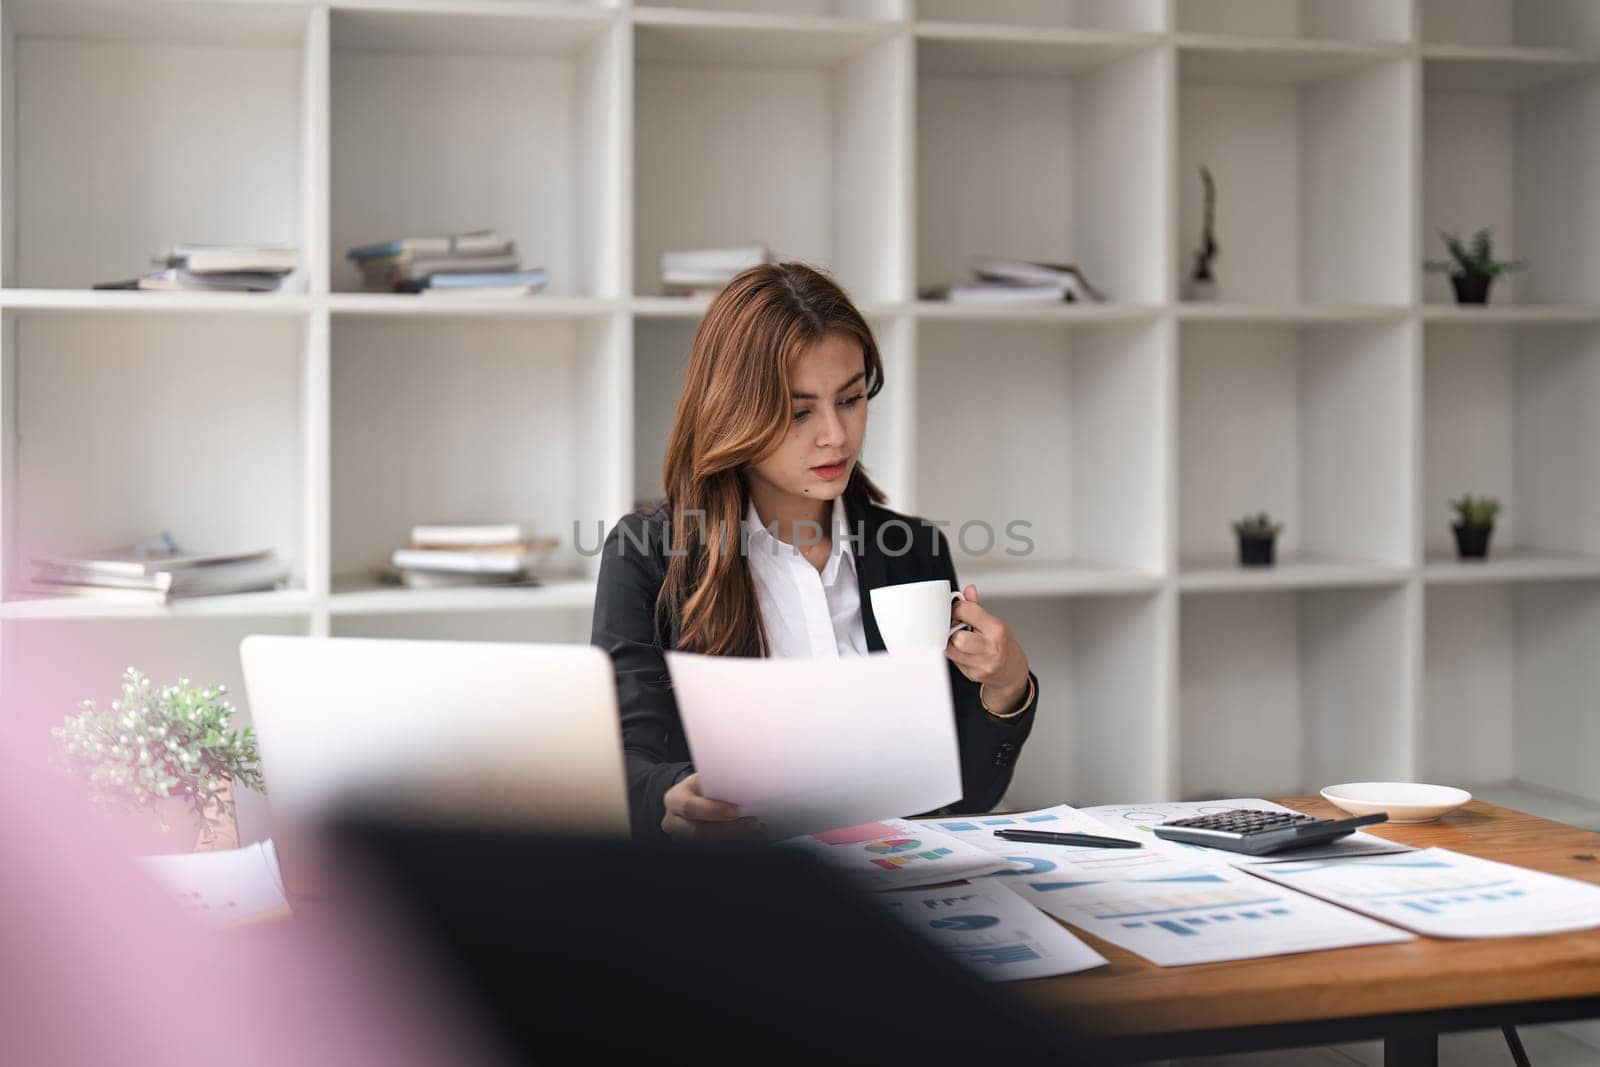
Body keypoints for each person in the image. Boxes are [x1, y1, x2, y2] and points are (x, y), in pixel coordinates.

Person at [592, 262, 1039, 843]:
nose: (835, 434)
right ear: (732, 410)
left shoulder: (913, 551)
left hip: (900, 880)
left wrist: (1005, 688)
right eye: (800, 411)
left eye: (850, 399)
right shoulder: (649, 554)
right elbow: (625, 761)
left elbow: (966, 796)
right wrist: (670, 797)